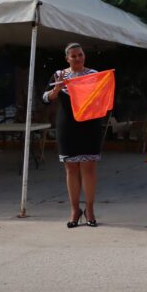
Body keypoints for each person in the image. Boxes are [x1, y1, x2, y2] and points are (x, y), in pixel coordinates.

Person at [42, 43, 105, 228]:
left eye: (80, 55)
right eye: (73, 56)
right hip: (67, 125)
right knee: (71, 168)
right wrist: (56, 89)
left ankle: (90, 209)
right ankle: (74, 210)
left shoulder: (94, 74)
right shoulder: (59, 74)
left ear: (84, 56)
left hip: (89, 125)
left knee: (88, 168)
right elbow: (45, 98)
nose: (77, 58)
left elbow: (103, 97)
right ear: (67, 58)